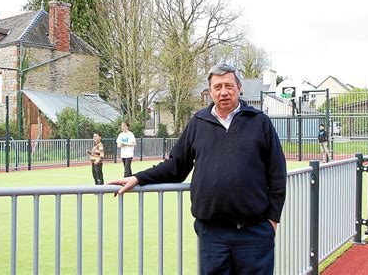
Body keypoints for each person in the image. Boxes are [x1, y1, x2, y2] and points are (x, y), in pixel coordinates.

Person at [108, 63, 287, 274]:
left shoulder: (260, 122)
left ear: (239, 88)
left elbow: (277, 173)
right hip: (213, 234)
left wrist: (272, 221)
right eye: (217, 87)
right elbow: (176, 166)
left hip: (254, 233)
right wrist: (138, 178)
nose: (223, 92)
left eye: (229, 86)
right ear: (210, 92)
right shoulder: (198, 122)